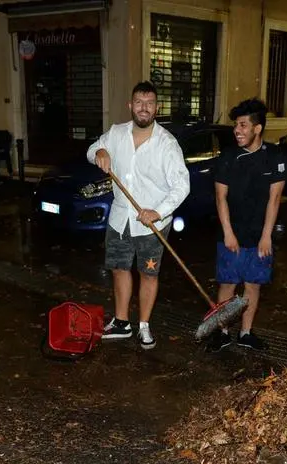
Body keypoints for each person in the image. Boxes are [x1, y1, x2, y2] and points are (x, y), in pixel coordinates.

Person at [87, 81, 190, 349]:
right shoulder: (116, 133)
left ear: (157, 108)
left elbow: (182, 185)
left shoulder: (167, 144)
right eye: (139, 102)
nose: (143, 108)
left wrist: (158, 212)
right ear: (130, 105)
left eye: (149, 103)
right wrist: (99, 152)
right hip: (120, 219)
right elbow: (93, 149)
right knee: (120, 269)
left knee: (148, 273)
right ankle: (122, 323)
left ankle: (143, 325)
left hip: (151, 224)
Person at [206, 98, 287, 352]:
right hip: (230, 233)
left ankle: (246, 332)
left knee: (252, 284)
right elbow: (220, 198)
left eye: (242, 125)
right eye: (235, 125)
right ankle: (222, 332)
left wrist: (266, 236)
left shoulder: (274, 157)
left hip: (258, 235)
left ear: (257, 128)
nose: (236, 130)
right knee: (228, 284)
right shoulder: (228, 158)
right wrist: (229, 233)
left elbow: (274, 200)